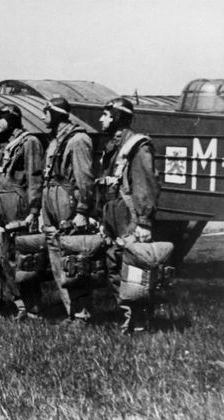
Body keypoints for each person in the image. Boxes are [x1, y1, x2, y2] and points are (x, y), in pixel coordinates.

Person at [97, 98, 160, 334]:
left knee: (134, 270)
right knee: (114, 265)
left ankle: (140, 320)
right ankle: (127, 316)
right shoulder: (113, 146)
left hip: (130, 215)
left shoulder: (137, 145)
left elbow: (145, 184)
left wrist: (144, 222)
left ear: (115, 116)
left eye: (105, 114)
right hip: (114, 214)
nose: (100, 120)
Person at [40, 97, 96, 326]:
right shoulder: (54, 142)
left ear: (55, 114)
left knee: (73, 260)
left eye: (46, 112)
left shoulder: (78, 140)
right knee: (57, 259)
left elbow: (85, 178)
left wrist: (82, 209)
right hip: (51, 200)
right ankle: (71, 312)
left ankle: (82, 314)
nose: (43, 117)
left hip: (67, 202)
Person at [0, 104, 44, 320]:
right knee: (6, 259)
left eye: (1, 118)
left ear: (11, 120)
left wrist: (33, 210)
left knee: (23, 258)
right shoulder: (6, 147)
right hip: (3, 206)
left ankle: (32, 308)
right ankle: (18, 304)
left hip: (19, 206)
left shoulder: (29, 142)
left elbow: (35, 177)